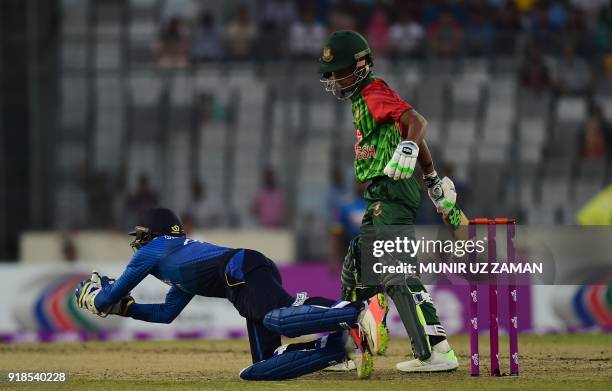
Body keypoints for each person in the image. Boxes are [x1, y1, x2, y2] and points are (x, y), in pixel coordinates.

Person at [75, 207, 388, 380]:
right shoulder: (177, 268)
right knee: (259, 369)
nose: (138, 243)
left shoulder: (154, 250)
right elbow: (165, 314)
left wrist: (99, 299)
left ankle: (360, 312)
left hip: (238, 269)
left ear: (154, 235)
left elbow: (104, 299)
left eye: (142, 237)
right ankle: (342, 348)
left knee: (278, 318)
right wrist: (127, 309)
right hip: (243, 272)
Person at [318, 30, 459, 372]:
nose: (334, 78)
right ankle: (352, 348)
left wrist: (411, 151)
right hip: (381, 193)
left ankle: (434, 352)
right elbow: (407, 128)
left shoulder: (373, 91)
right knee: (356, 266)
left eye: (339, 70)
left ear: (361, 65)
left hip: (392, 191)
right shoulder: (361, 99)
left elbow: (416, 123)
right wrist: (431, 179)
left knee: (396, 273)